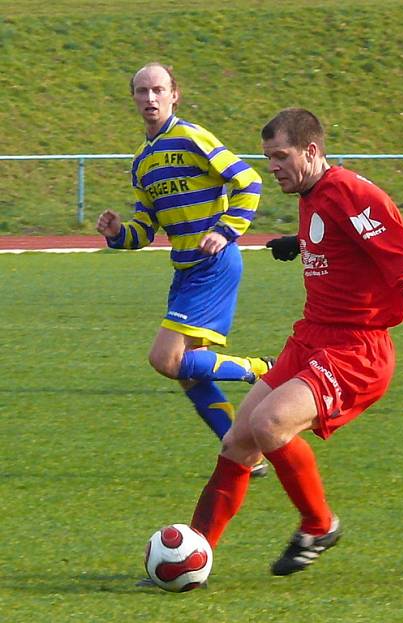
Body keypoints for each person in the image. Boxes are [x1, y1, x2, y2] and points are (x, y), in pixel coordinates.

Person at [187, 108, 403, 578]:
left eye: (281, 155)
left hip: (357, 350)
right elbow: (346, 244)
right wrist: (301, 243)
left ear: (311, 151)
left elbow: (400, 253)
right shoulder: (314, 193)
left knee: (269, 425)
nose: (273, 166)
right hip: (312, 336)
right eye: (268, 158)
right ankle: (192, 553)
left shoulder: (351, 190)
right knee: (238, 440)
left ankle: (319, 525)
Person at [96, 63, 272, 476]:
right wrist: (119, 231)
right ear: (134, 98)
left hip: (213, 263)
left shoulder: (191, 136)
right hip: (185, 270)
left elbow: (249, 180)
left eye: (158, 90)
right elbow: (144, 229)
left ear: (175, 94)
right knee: (189, 371)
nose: (150, 98)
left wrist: (225, 231)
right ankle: (246, 452)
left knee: (164, 358)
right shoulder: (141, 162)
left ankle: (259, 368)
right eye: (142, 91)